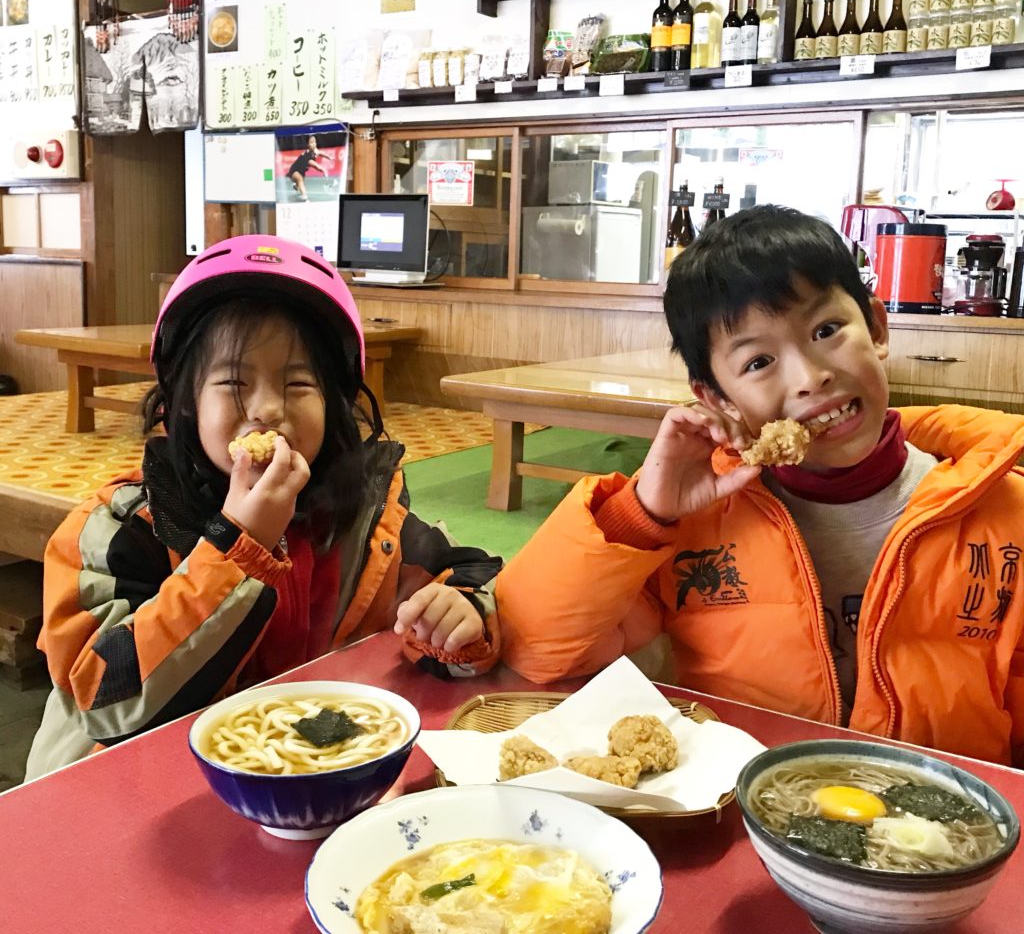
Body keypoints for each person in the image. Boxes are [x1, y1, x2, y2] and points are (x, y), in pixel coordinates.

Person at [497, 205, 1024, 767]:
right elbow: (538, 651)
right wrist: (641, 513)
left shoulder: (1002, 510)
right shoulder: (691, 525)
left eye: (827, 331)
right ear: (717, 399)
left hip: (940, 833)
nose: (809, 377)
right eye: (758, 362)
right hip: (743, 810)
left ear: (876, 327)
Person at [26, 236, 502, 778]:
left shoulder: (367, 515)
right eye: (233, 382)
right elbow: (105, 697)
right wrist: (239, 543)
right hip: (129, 791)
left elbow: (461, 571)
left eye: (298, 382)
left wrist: (462, 612)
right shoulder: (122, 526)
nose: (268, 409)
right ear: (184, 403)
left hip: (307, 775)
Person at [288, 135, 331, 201]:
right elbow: (317, 167)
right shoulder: (308, 157)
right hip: (294, 171)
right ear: (308, 145)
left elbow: (320, 153)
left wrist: (329, 157)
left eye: (314, 142)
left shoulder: (315, 150)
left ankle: (296, 187)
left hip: (301, 172)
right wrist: (324, 170)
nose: (314, 144)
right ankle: (305, 198)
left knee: (300, 181)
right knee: (299, 179)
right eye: (311, 142)